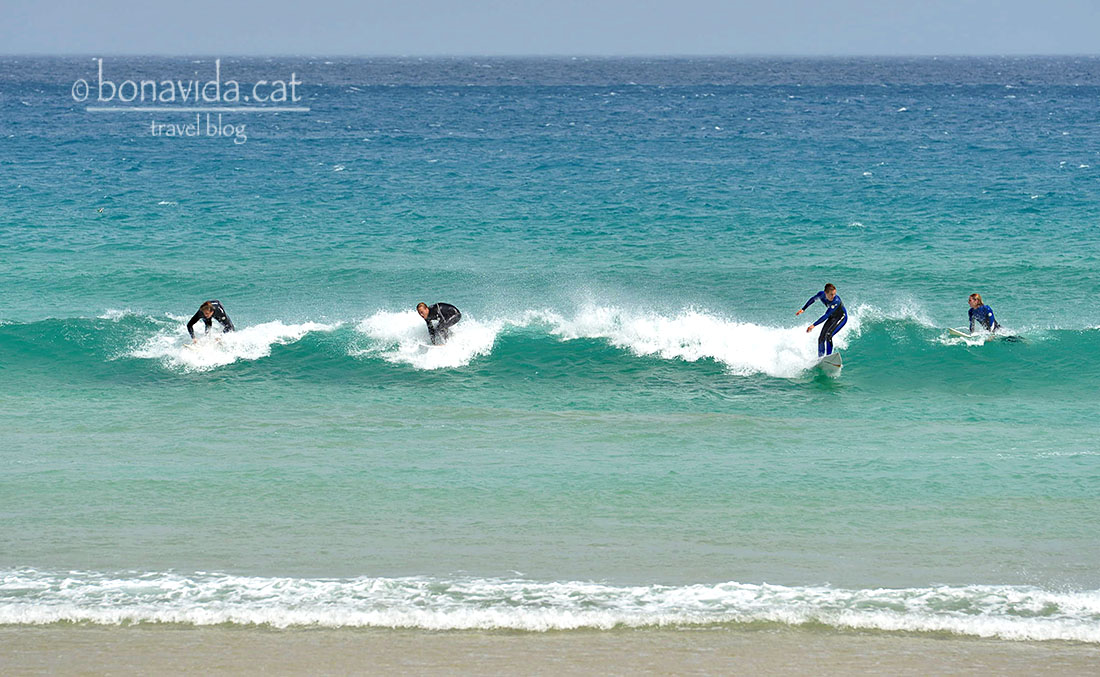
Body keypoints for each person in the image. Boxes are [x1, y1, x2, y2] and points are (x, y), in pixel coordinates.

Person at [796, 283, 847, 357]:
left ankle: (829, 357)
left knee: (828, 335)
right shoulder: (821, 294)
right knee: (821, 338)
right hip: (832, 317)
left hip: (841, 317)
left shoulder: (836, 301)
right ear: (825, 293)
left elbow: (826, 315)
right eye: (831, 294)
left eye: (834, 294)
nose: (833, 296)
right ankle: (820, 358)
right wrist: (803, 309)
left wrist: (813, 325)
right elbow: (813, 299)